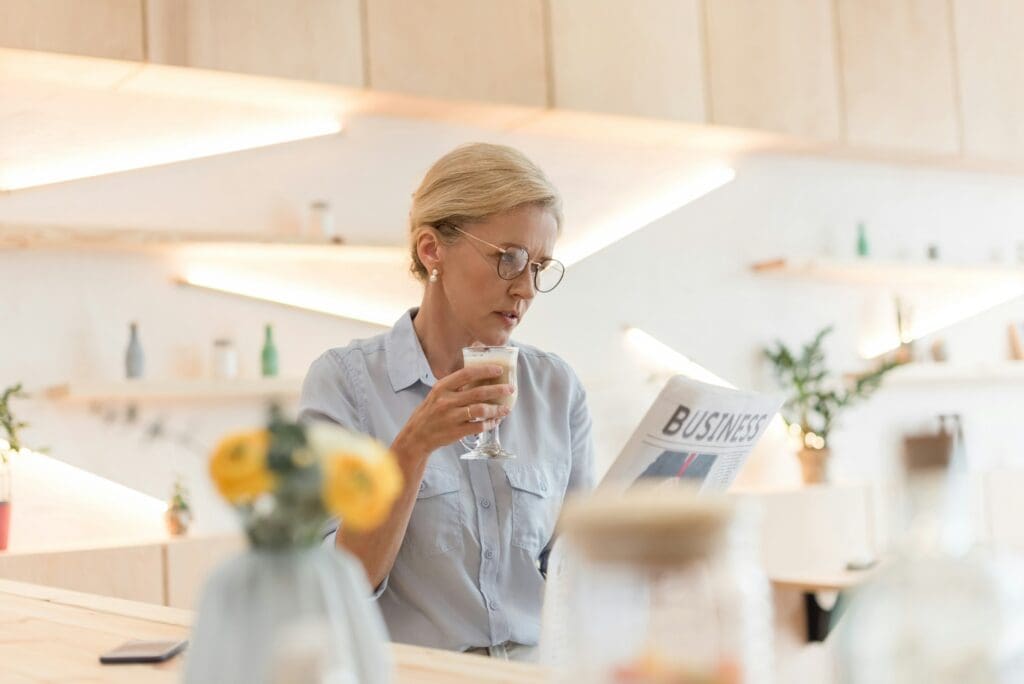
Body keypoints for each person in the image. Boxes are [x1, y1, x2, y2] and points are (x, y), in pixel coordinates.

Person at [299, 142, 595, 661]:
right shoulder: (345, 383)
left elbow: (579, 575)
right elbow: (331, 591)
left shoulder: (556, 388)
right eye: (510, 259)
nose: (526, 288)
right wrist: (412, 448)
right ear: (431, 249)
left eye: (540, 267)